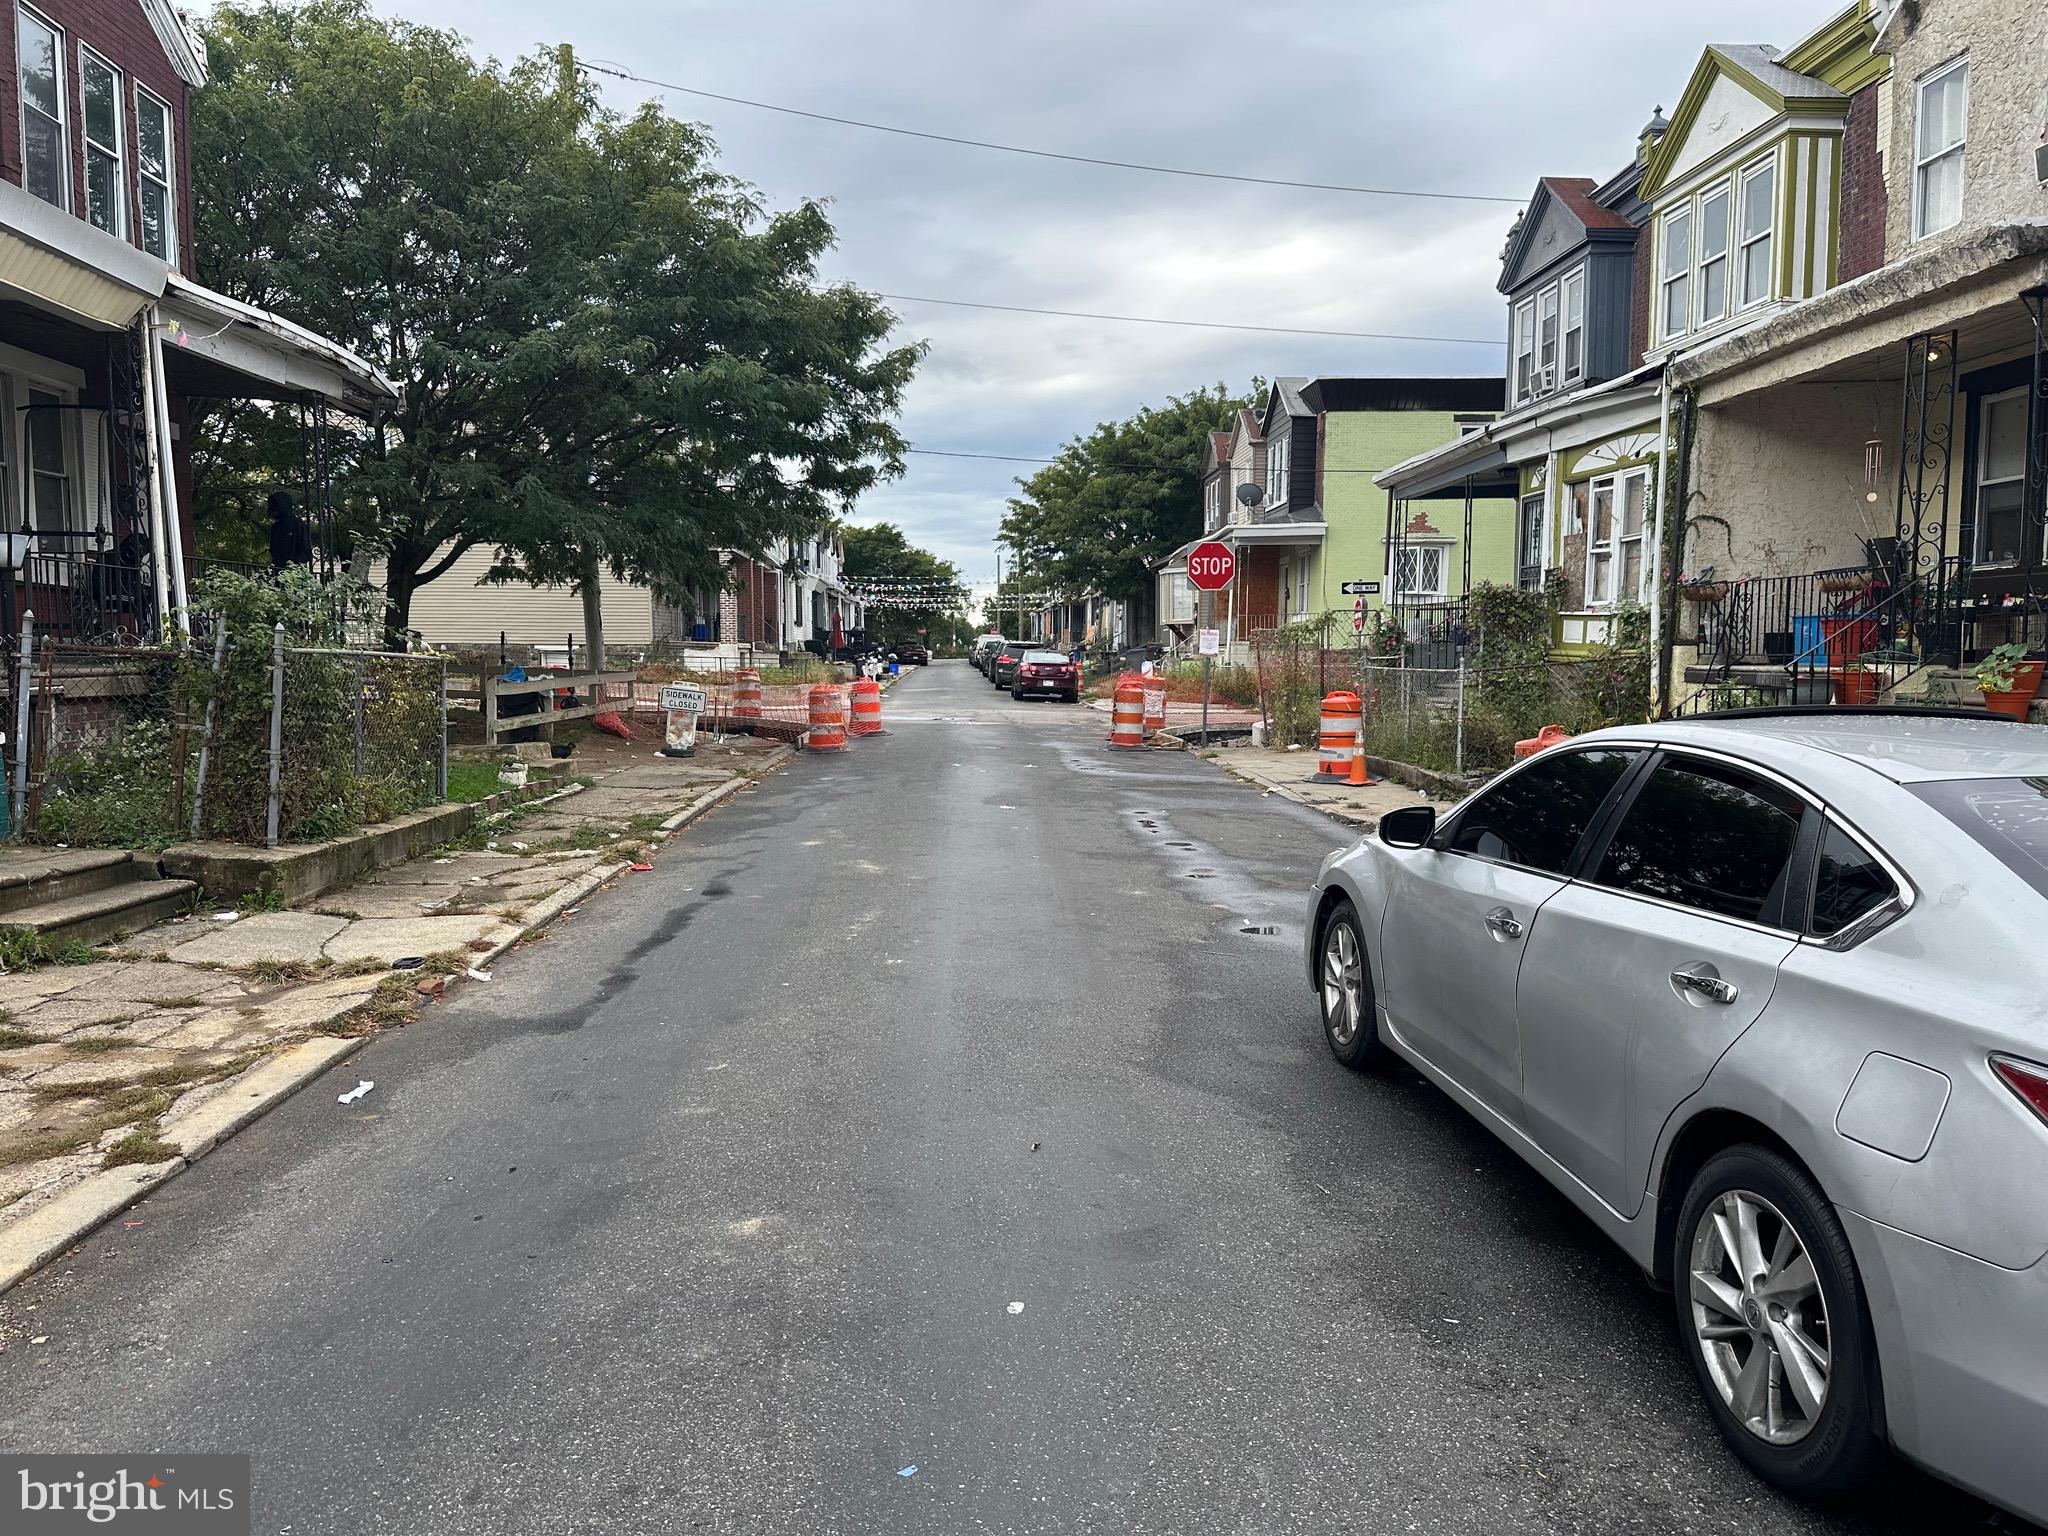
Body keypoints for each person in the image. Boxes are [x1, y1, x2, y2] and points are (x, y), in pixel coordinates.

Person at [267, 491, 312, 572]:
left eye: (275, 506)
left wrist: (292, 565)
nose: (272, 510)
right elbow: (273, 550)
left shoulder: (298, 525)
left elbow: (306, 553)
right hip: (277, 572)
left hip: (294, 574)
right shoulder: (275, 527)